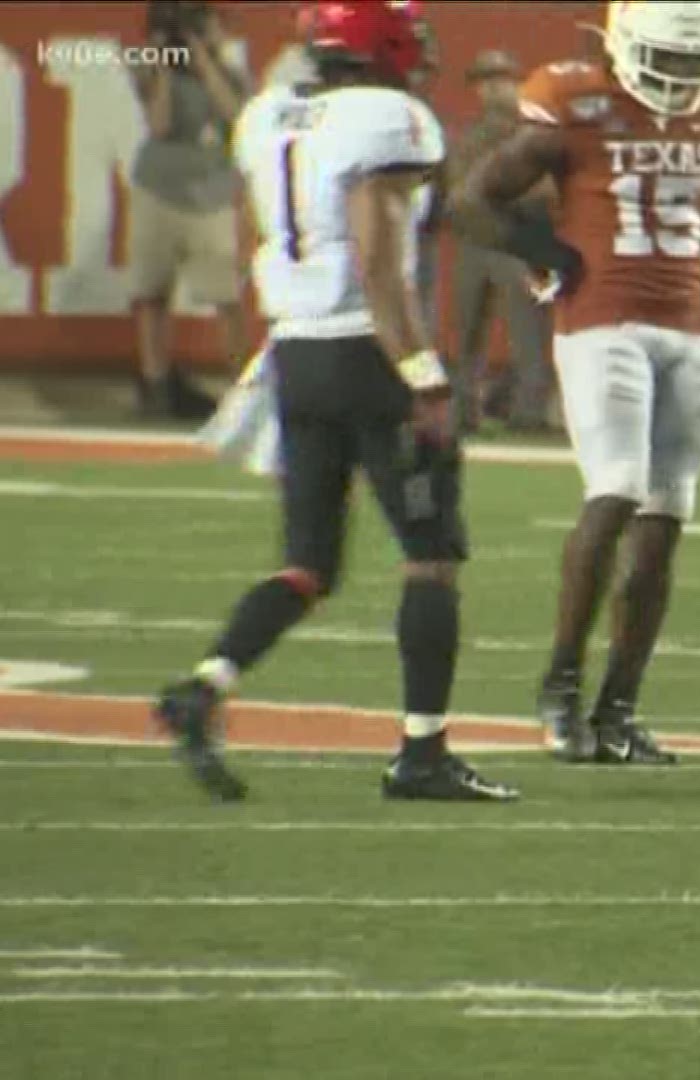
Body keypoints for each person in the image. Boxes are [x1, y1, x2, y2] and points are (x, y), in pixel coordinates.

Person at [152, 0, 515, 803]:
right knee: (430, 557)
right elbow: (381, 263)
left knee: (308, 565)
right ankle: (422, 753)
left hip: (295, 353)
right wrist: (423, 373)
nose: (419, 52)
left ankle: (205, 686)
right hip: (368, 352)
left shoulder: (270, 111)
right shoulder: (389, 117)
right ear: (377, 46)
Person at [454, 0, 700, 765]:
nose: (680, 79)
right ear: (627, 47)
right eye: (667, 60)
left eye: (693, 63)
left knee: (666, 520)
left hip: (685, 331)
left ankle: (618, 708)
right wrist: (550, 253)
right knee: (615, 493)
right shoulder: (574, 101)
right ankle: (561, 688)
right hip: (602, 324)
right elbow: (471, 201)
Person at [128, 1, 251, 420]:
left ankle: (243, 387)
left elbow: (236, 116)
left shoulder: (230, 73)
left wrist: (203, 60)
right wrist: (163, 61)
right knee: (151, 293)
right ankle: (155, 382)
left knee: (226, 297)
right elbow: (160, 125)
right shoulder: (148, 65)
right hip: (157, 189)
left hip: (210, 195)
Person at [444, 49, 553, 433]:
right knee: (467, 333)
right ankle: (462, 410)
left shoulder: (531, 133)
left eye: (500, 80)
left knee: (527, 331)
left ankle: (530, 411)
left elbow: (545, 190)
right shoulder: (470, 135)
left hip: (514, 240)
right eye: (485, 82)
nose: (492, 90)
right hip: (473, 242)